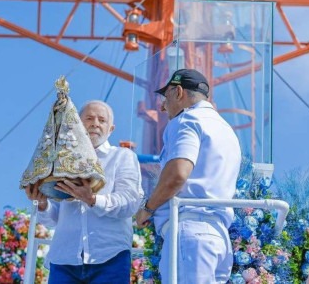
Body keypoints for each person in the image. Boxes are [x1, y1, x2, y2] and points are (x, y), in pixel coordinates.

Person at [135, 68, 242, 284]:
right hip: (219, 238)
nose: (163, 106)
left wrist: (147, 209)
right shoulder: (226, 129)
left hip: (190, 231)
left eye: (166, 97)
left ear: (178, 92)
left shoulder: (187, 120)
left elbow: (177, 174)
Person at [25, 100, 143, 284]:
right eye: (89, 118)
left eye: (101, 120)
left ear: (110, 129)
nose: (95, 123)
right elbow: (52, 218)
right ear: (78, 125)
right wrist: (41, 204)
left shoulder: (123, 157)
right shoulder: (60, 162)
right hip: (64, 259)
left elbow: (130, 202)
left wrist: (92, 199)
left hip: (110, 257)